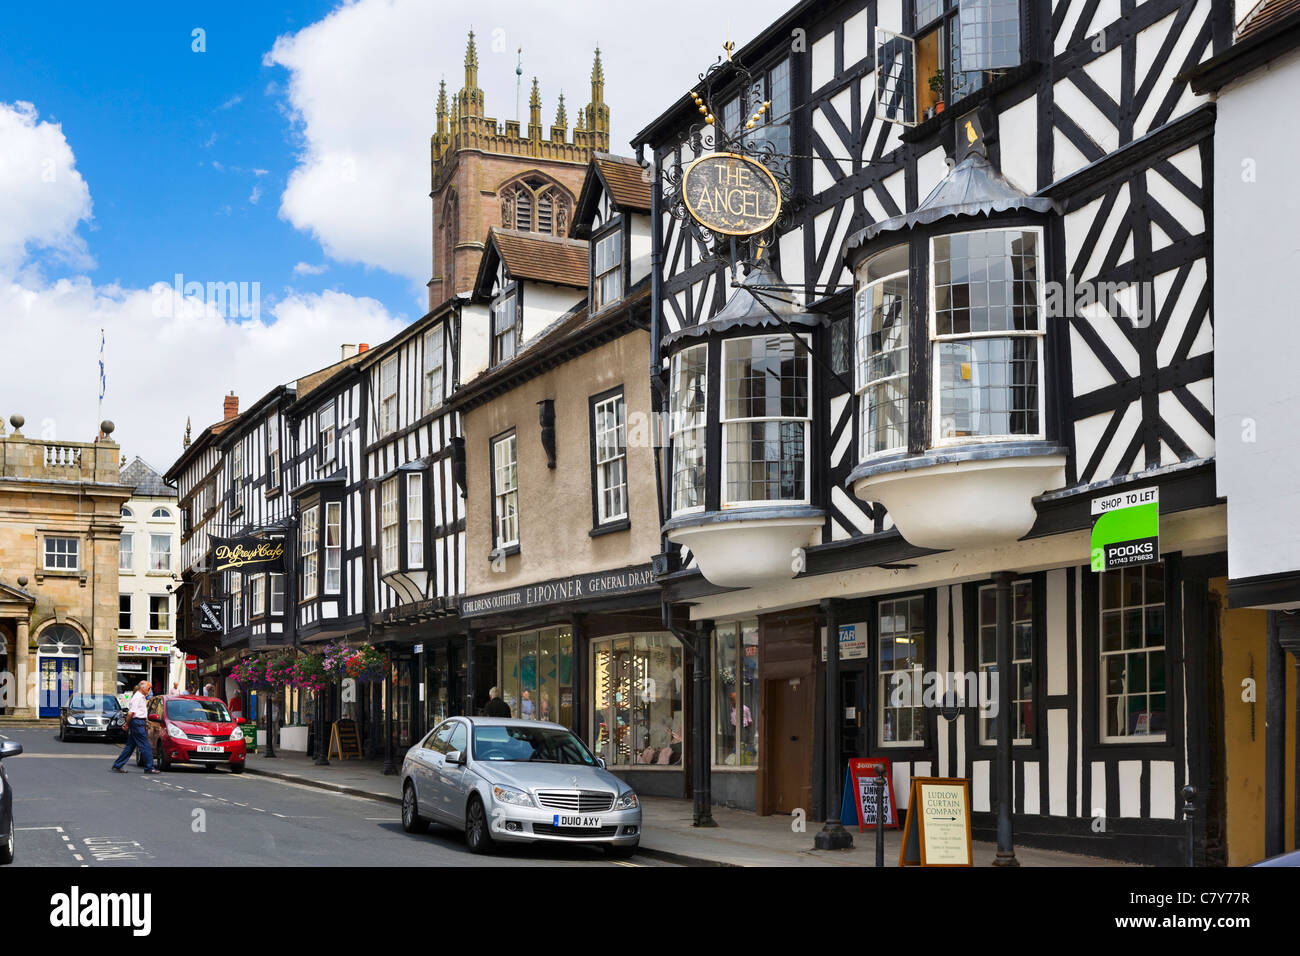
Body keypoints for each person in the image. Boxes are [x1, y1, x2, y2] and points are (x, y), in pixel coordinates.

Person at [111, 681, 159, 774]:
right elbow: (130, 713)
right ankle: (149, 767)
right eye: (149, 688)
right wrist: (127, 724)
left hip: (139, 722)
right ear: (143, 688)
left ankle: (118, 765)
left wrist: (145, 722)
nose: (149, 691)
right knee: (145, 745)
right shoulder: (137, 698)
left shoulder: (141, 697)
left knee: (130, 746)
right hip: (137, 722)